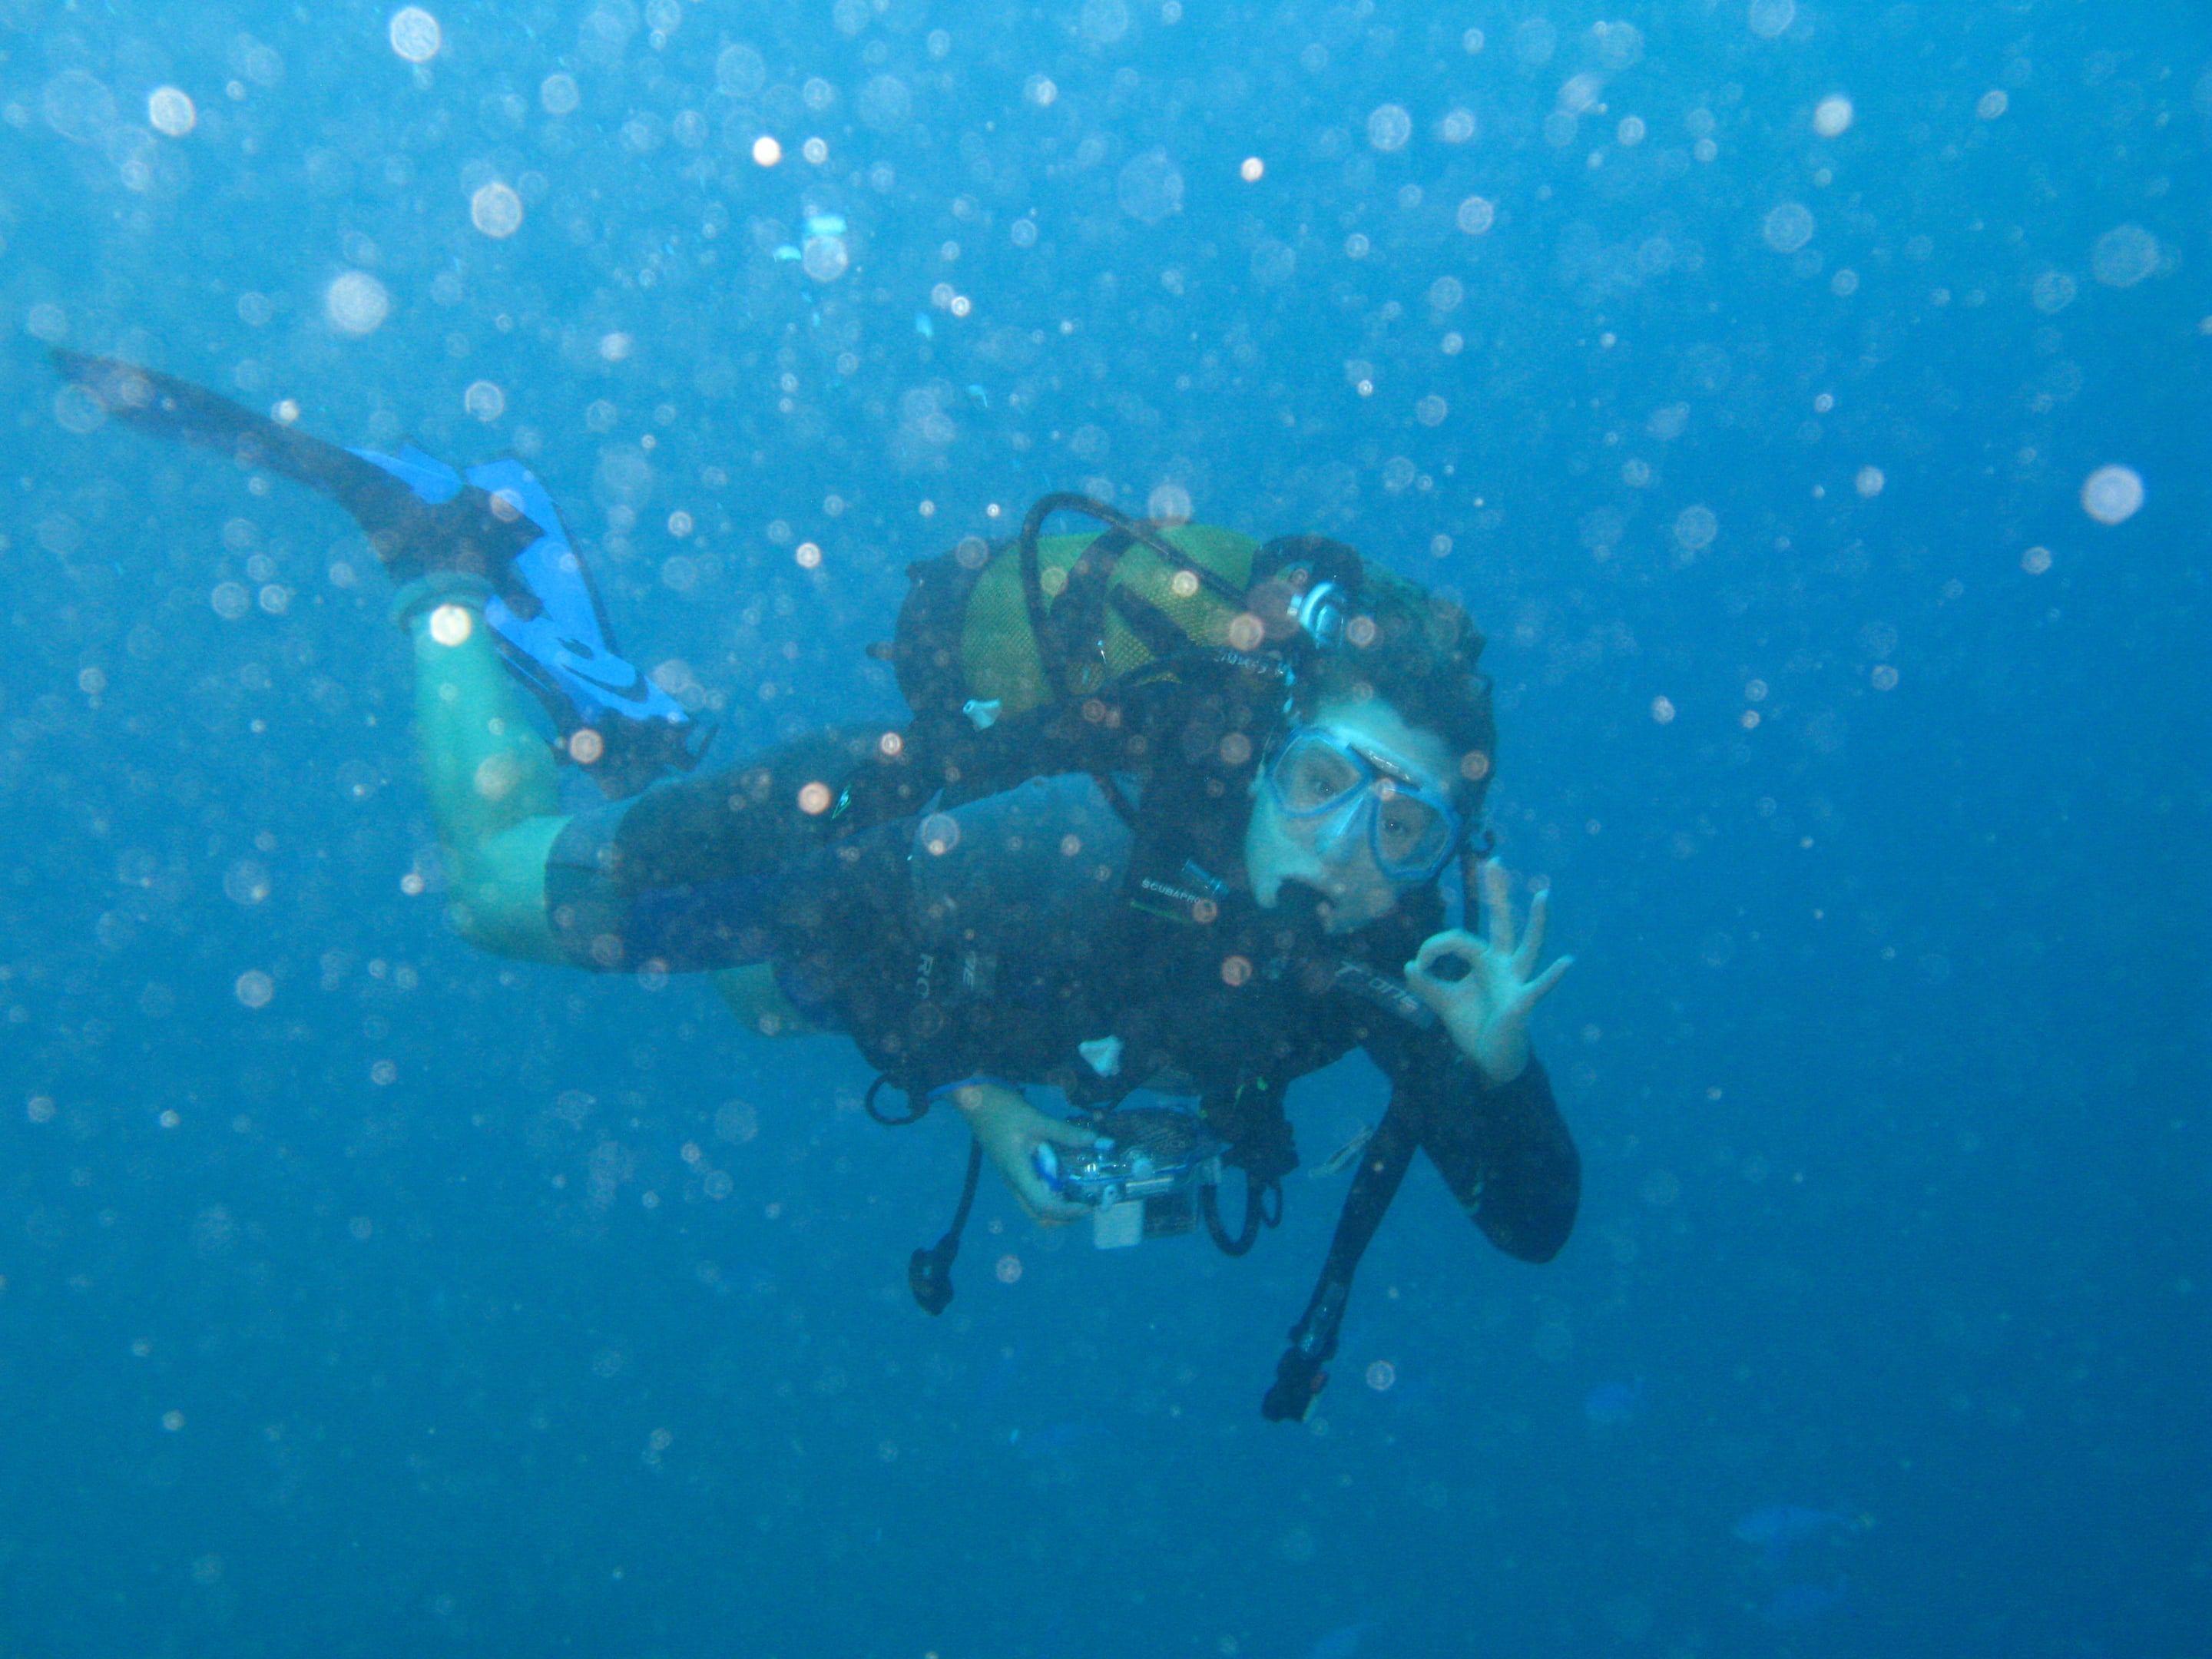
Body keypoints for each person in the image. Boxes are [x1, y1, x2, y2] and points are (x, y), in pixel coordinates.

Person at [55, 350, 1580, 1421]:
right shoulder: (1049, 846)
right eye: (1321, 788)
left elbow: (1535, 1227)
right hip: (860, 863)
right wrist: (977, 1090)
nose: (1343, 859)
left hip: (947, 971)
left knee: (761, 1015)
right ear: (1263, 759)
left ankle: (623, 723)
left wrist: (1495, 1071)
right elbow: (870, 910)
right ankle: (439, 560)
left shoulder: (1410, 955)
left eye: (1401, 831)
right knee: (497, 894)